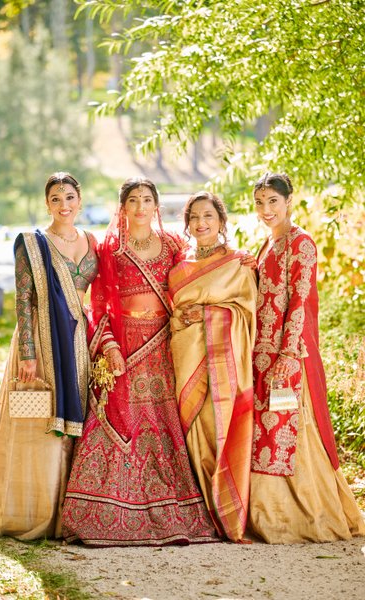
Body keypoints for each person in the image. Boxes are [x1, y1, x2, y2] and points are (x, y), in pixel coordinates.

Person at [62, 177, 218, 546]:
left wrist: (236, 263)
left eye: (147, 200)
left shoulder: (174, 246)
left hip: (164, 348)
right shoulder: (110, 250)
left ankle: (172, 509)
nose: (141, 207)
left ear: (156, 206)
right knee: (117, 421)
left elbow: (195, 281)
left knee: (165, 425)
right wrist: (110, 346)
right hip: (124, 351)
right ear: (123, 207)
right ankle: (105, 511)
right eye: (133, 200)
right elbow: (97, 305)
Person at [0, 172, 98, 540]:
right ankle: (34, 509)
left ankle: (69, 507)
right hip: (40, 340)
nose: (64, 204)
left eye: (69, 197)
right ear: (47, 204)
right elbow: (23, 299)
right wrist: (27, 354)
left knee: (77, 419)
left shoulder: (92, 241)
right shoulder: (32, 243)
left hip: (77, 340)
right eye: (55, 198)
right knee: (38, 421)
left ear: (80, 200)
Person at [249, 172, 365, 543]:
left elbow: (299, 301)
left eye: (273, 202)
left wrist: (287, 353)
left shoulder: (301, 244)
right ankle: (264, 513)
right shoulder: (266, 244)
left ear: (288, 202)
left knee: (291, 428)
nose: (267, 210)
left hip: (289, 354)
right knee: (266, 429)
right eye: (260, 203)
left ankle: (307, 515)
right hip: (261, 354)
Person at [168, 191, 258, 542]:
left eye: (208, 216)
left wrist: (207, 314)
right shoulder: (178, 269)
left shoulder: (238, 263)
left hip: (225, 364)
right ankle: (204, 511)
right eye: (194, 217)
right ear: (187, 224)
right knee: (195, 432)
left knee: (220, 427)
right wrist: (183, 318)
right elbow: (172, 316)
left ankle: (228, 511)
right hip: (187, 360)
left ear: (221, 221)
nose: (201, 223)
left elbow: (248, 312)